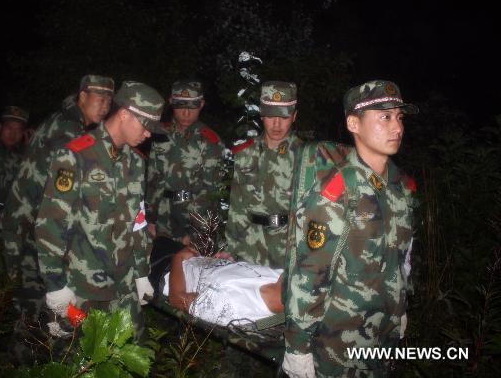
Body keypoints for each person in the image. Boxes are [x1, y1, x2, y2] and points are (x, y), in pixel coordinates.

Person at [282, 80, 418, 377]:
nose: (397, 127)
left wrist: (402, 308)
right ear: (354, 124)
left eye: (399, 117)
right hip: (338, 346)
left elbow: (402, 260)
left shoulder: (400, 187)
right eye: (384, 117)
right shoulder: (338, 189)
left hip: (385, 337)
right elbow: (309, 274)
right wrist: (297, 346)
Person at [35, 81, 165, 335]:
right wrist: (55, 284)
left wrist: (141, 272)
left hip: (124, 283)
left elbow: (138, 221)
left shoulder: (136, 162)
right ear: (125, 114)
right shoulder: (75, 156)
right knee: (81, 361)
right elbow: (50, 224)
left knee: (129, 354)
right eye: (145, 126)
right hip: (82, 286)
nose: (148, 134)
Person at [0, 75, 114, 318]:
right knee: (38, 304)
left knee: (36, 302)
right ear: (82, 97)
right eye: (100, 100)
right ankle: (29, 349)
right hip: (37, 225)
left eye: (109, 102)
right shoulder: (69, 129)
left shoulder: (63, 119)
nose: (105, 108)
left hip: (29, 221)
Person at [225, 81, 303, 268]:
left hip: (291, 250)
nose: (277, 124)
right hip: (250, 247)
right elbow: (237, 208)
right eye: (271, 116)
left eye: (283, 117)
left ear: (294, 116)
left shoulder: (308, 157)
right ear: (261, 115)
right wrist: (230, 248)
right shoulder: (245, 154)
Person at [146, 80, 224, 246]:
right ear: (171, 102)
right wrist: (149, 219)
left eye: (192, 106)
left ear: (201, 104)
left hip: (193, 221)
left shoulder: (210, 141)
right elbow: (152, 179)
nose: (186, 113)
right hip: (162, 219)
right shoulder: (160, 135)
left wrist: (195, 232)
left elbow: (211, 193)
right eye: (180, 105)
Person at [163, 248, 284, 327]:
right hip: (189, 256)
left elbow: (177, 300)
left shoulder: (233, 308)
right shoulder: (279, 277)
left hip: (163, 272)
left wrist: (177, 258)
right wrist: (227, 264)